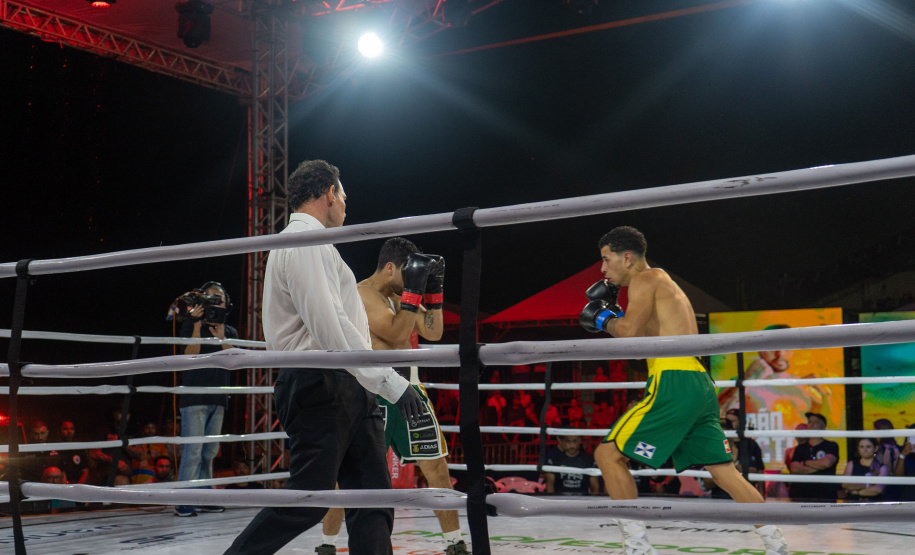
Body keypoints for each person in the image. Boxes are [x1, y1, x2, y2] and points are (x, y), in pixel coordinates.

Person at [224, 160, 424, 555]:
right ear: (330, 193)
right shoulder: (303, 241)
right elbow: (329, 325)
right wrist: (391, 382)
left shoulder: (318, 245)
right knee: (308, 500)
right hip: (322, 381)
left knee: (373, 499)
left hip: (347, 381)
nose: (346, 206)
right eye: (343, 196)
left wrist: (378, 381)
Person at [579, 226, 788, 555]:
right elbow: (644, 338)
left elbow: (630, 334)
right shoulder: (660, 282)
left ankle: (637, 548)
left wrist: (604, 318)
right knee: (723, 471)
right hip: (699, 383)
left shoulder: (646, 278)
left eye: (606, 259)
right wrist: (616, 314)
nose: (603, 269)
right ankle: (776, 544)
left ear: (627, 257)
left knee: (607, 455)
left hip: (674, 380)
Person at [319, 237, 468, 555]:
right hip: (374, 393)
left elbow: (433, 331)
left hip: (410, 389)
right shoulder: (362, 294)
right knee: (351, 475)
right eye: (409, 273)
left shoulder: (402, 296)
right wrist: (413, 293)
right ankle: (327, 544)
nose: (414, 281)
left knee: (437, 469)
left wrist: (434, 292)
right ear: (390, 267)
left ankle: (455, 542)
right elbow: (398, 332)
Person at [174, 281, 237, 516]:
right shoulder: (190, 325)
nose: (216, 304)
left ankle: (204, 495)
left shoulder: (229, 331)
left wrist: (221, 339)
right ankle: (184, 500)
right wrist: (196, 326)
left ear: (226, 304)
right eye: (211, 299)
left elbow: (235, 361)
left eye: (220, 300)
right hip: (194, 397)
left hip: (218, 397)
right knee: (193, 451)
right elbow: (188, 358)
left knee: (209, 451)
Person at [787, 412, 839, 501]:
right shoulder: (800, 448)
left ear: (823, 426)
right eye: (810, 422)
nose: (812, 424)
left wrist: (805, 462)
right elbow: (794, 468)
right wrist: (819, 467)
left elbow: (826, 463)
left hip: (825, 496)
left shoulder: (831, 445)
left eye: (816, 422)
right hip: (801, 496)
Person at [51, 420, 89, 485]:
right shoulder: (55, 448)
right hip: (59, 485)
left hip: (77, 484)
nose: (69, 431)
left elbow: (85, 472)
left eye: (72, 429)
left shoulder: (79, 448)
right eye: (65, 429)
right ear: (60, 431)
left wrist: (77, 487)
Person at [133, 421, 171, 485]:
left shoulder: (160, 444)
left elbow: (165, 462)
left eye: (153, 428)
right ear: (142, 430)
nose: (150, 431)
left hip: (155, 479)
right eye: (147, 428)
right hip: (138, 479)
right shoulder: (136, 444)